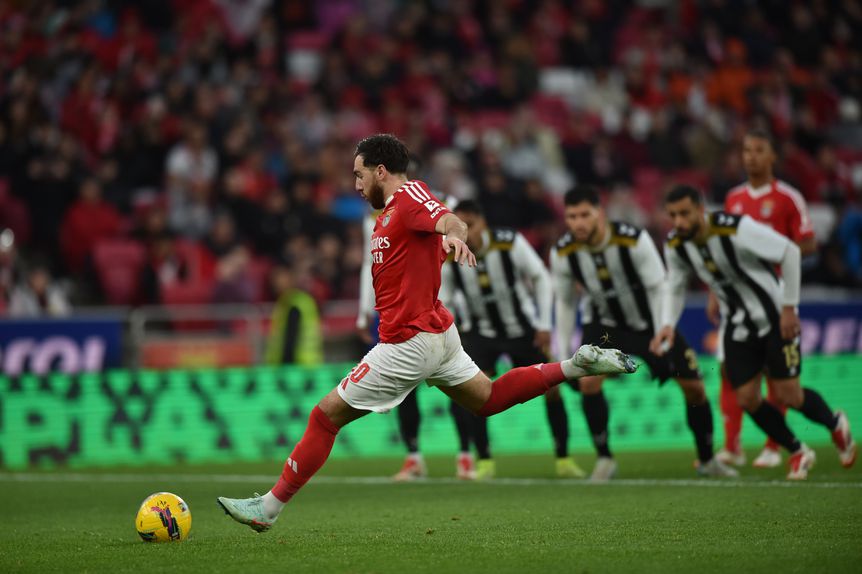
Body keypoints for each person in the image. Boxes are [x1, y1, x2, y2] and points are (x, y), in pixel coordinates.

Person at [217, 134, 636, 531]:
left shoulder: (409, 196)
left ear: (381, 171)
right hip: (437, 335)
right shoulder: (387, 215)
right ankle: (573, 365)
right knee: (487, 400)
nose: (356, 185)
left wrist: (455, 237)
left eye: (359, 175)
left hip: (407, 342)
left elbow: (448, 219)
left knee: (324, 418)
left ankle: (269, 508)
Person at [651, 185, 856, 480]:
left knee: (790, 395)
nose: (679, 222)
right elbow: (676, 284)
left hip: (775, 317)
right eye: (673, 216)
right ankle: (798, 450)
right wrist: (668, 324)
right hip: (737, 325)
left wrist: (789, 307)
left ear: (700, 208)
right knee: (746, 397)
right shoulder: (676, 245)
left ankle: (835, 424)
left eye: (685, 213)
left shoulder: (736, 229)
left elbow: (788, 252)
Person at [551, 186, 735, 481]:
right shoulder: (563, 252)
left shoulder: (632, 239)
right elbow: (565, 302)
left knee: (695, 389)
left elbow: (657, 286)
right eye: (572, 216)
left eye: (585, 214)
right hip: (605, 327)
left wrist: (663, 328)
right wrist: (561, 352)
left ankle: (707, 459)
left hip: (649, 325)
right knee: (589, 384)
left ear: (600, 213)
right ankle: (604, 459)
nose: (578, 223)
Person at [440, 200, 586, 480]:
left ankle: (564, 458)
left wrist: (544, 324)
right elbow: (444, 298)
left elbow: (541, 277)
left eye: (470, 223)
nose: (465, 231)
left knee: (552, 389)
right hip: (481, 334)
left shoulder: (509, 243)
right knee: (473, 393)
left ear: (482, 223)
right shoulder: (449, 254)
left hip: (523, 330)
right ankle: (484, 462)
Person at [355, 176, 481, 481]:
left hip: (440, 308)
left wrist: (463, 303)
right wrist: (364, 310)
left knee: (458, 388)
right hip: (397, 311)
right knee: (405, 391)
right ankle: (414, 457)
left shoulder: (436, 204)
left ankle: (465, 454)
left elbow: (456, 240)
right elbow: (369, 262)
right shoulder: (376, 214)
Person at [713, 128, 817, 469]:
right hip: (738, 300)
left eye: (758, 150)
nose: (751, 157)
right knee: (729, 368)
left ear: (773, 157)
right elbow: (724, 250)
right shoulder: (733, 198)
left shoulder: (788, 198)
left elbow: (807, 243)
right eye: (746, 150)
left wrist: (773, 252)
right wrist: (717, 292)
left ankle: (774, 445)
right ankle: (732, 445)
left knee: (777, 375)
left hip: (777, 297)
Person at [264, 263, 323, 366]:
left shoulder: (295, 304)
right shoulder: (288, 302)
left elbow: (290, 340)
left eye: (280, 277)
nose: (276, 282)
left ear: (291, 278)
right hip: (305, 365)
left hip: (298, 366)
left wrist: (284, 365)